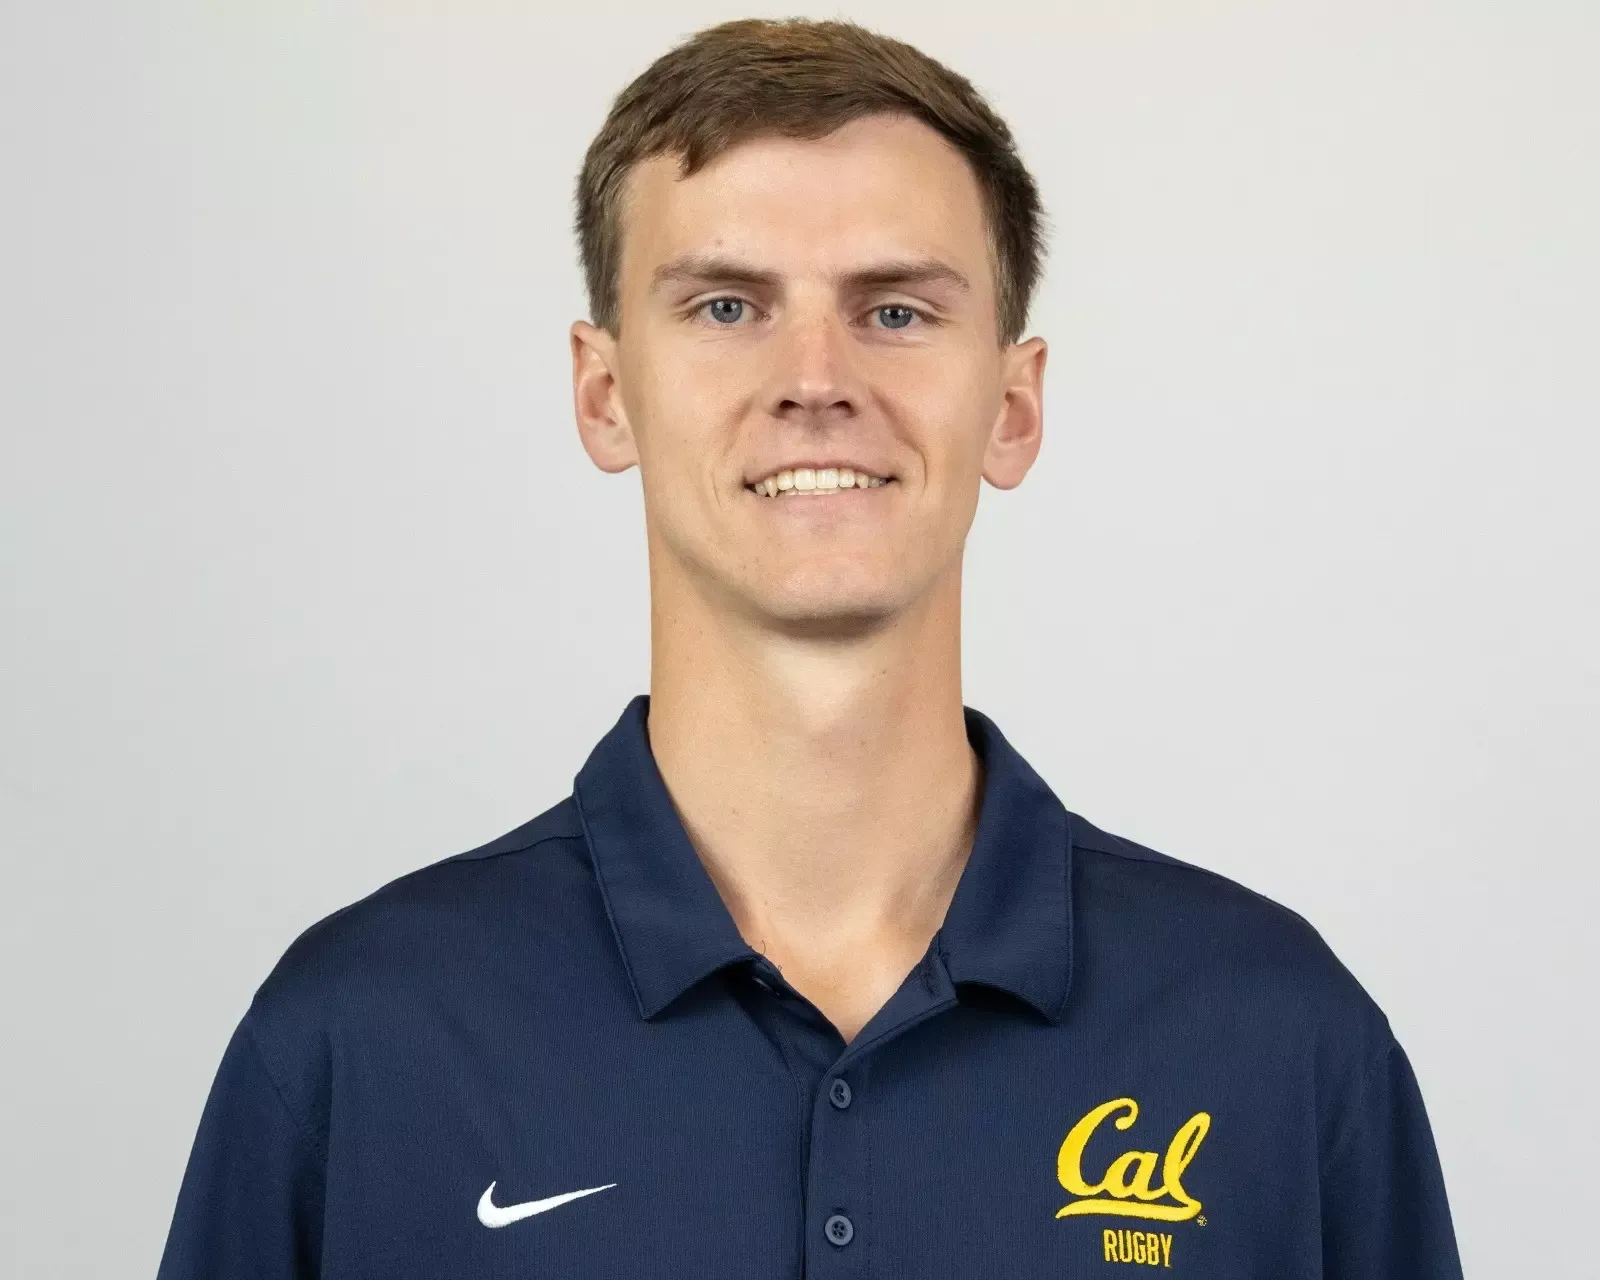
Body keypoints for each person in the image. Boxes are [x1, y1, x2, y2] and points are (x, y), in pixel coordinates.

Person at [157, 17, 1462, 1279]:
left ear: (1013, 408)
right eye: (728, 306)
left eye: (896, 312)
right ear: (605, 395)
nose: (816, 377)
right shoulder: (362, 1039)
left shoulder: (1277, 1039)